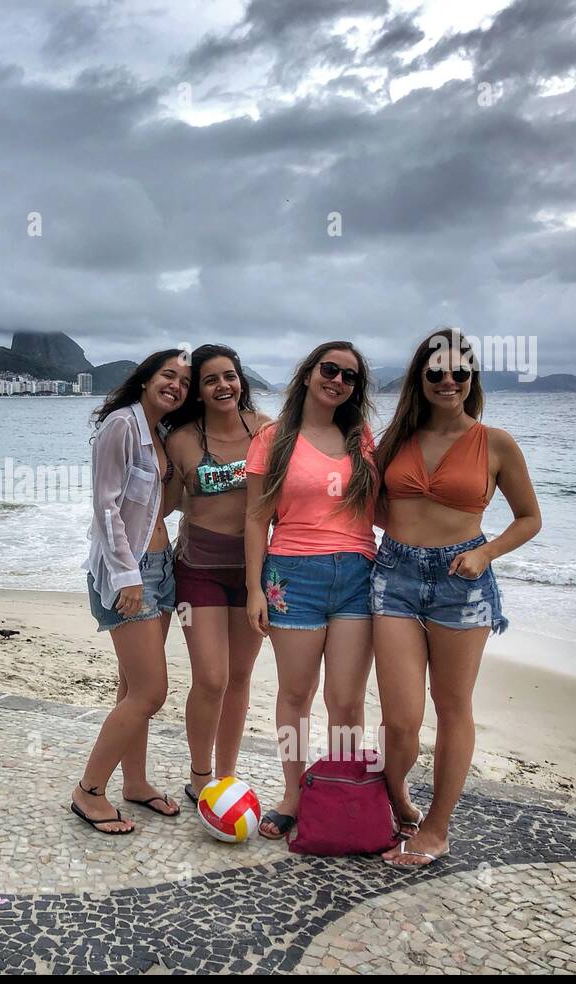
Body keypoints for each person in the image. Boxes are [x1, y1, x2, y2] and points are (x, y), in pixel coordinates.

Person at [371, 328, 541, 867]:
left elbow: (529, 518)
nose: (448, 381)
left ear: (472, 379)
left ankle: (437, 827)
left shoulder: (495, 442)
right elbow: (370, 505)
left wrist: (486, 553)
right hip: (393, 575)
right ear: (420, 378)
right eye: (436, 372)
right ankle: (399, 800)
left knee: (451, 706)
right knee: (400, 716)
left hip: (461, 581)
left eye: (459, 373)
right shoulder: (396, 438)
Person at [244, 342, 378, 841]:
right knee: (296, 695)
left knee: (346, 699)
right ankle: (295, 794)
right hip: (292, 577)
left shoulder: (360, 438)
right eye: (330, 369)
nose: (338, 381)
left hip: (358, 576)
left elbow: (380, 507)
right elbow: (256, 519)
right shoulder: (274, 439)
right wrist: (253, 588)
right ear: (307, 374)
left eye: (350, 377)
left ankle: (344, 787)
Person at [71, 349, 191, 834]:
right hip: (131, 572)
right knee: (150, 692)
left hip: (161, 566)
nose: (176, 386)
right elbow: (105, 510)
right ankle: (89, 791)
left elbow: (166, 503)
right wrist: (127, 576)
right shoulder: (121, 426)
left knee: (130, 688)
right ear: (145, 379)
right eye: (168, 375)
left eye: (184, 382)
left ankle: (135, 783)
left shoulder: (160, 433)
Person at [163, 344, 271, 806]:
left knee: (241, 677)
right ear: (200, 392)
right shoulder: (183, 439)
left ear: (240, 379)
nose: (223, 386)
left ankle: (227, 777)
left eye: (229, 376)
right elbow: (161, 504)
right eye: (211, 380)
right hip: (198, 570)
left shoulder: (268, 430)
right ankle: (200, 776)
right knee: (211, 678)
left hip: (255, 573)